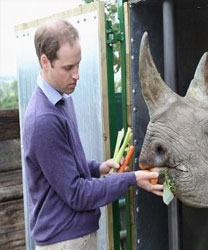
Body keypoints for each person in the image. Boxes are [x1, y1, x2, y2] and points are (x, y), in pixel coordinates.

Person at [23, 19, 163, 250]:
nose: (77, 74)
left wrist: (97, 167)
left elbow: (63, 167)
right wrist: (132, 178)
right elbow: (77, 193)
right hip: (66, 241)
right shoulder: (44, 119)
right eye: (68, 68)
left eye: (78, 64)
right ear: (45, 61)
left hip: (73, 236)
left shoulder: (61, 99)